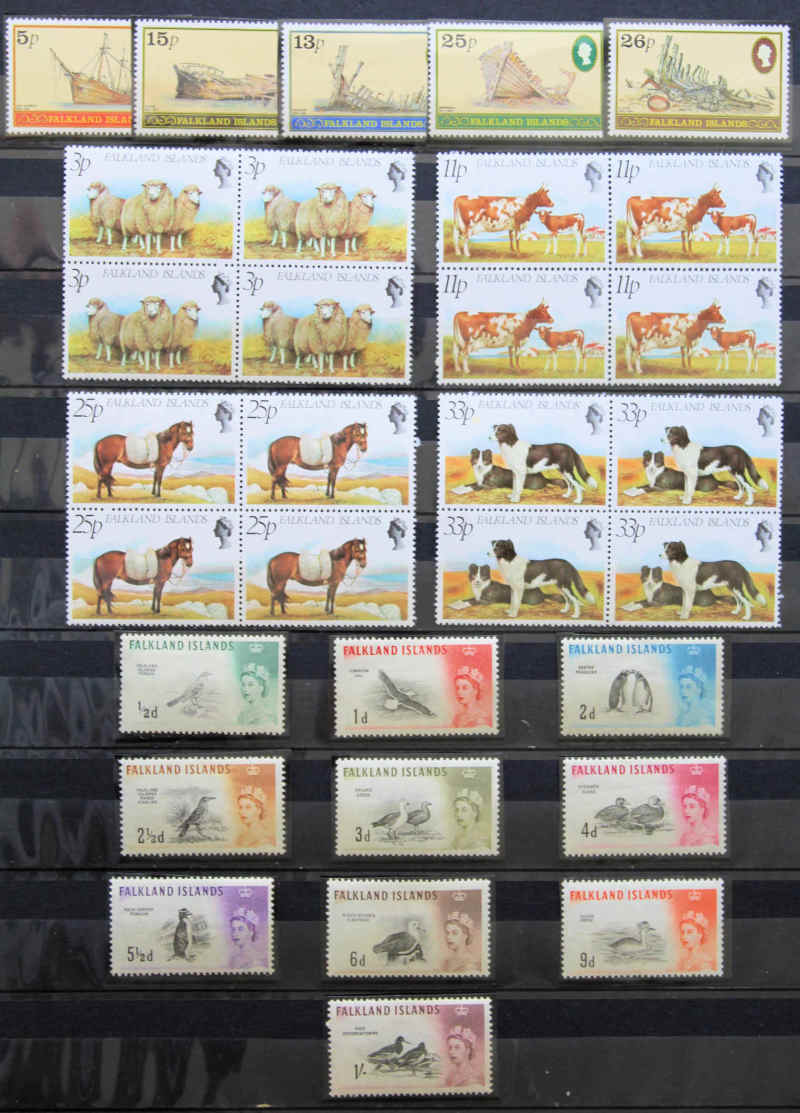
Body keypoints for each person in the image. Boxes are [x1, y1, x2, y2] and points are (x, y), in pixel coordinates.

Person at [234, 783, 274, 849]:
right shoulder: (240, 838)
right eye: (240, 807)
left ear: (259, 810)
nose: (242, 811)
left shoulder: (265, 840)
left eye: (248, 807)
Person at [451, 665, 489, 730]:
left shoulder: (481, 720)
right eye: (457, 688)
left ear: (475, 690)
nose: (459, 692)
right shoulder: (457, 717)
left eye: (465, 688)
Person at [451, 787, 489, 852]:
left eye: (464, 810)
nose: (458, 814)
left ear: (475, 812)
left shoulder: (479, 841)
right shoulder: (457, 838)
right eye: (457, 810)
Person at [237, 662, 273, 727]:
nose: (245, 689)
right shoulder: (242, 715)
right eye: (243, 685)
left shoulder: (266, 717)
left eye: (250, 685)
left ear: (261, 688)